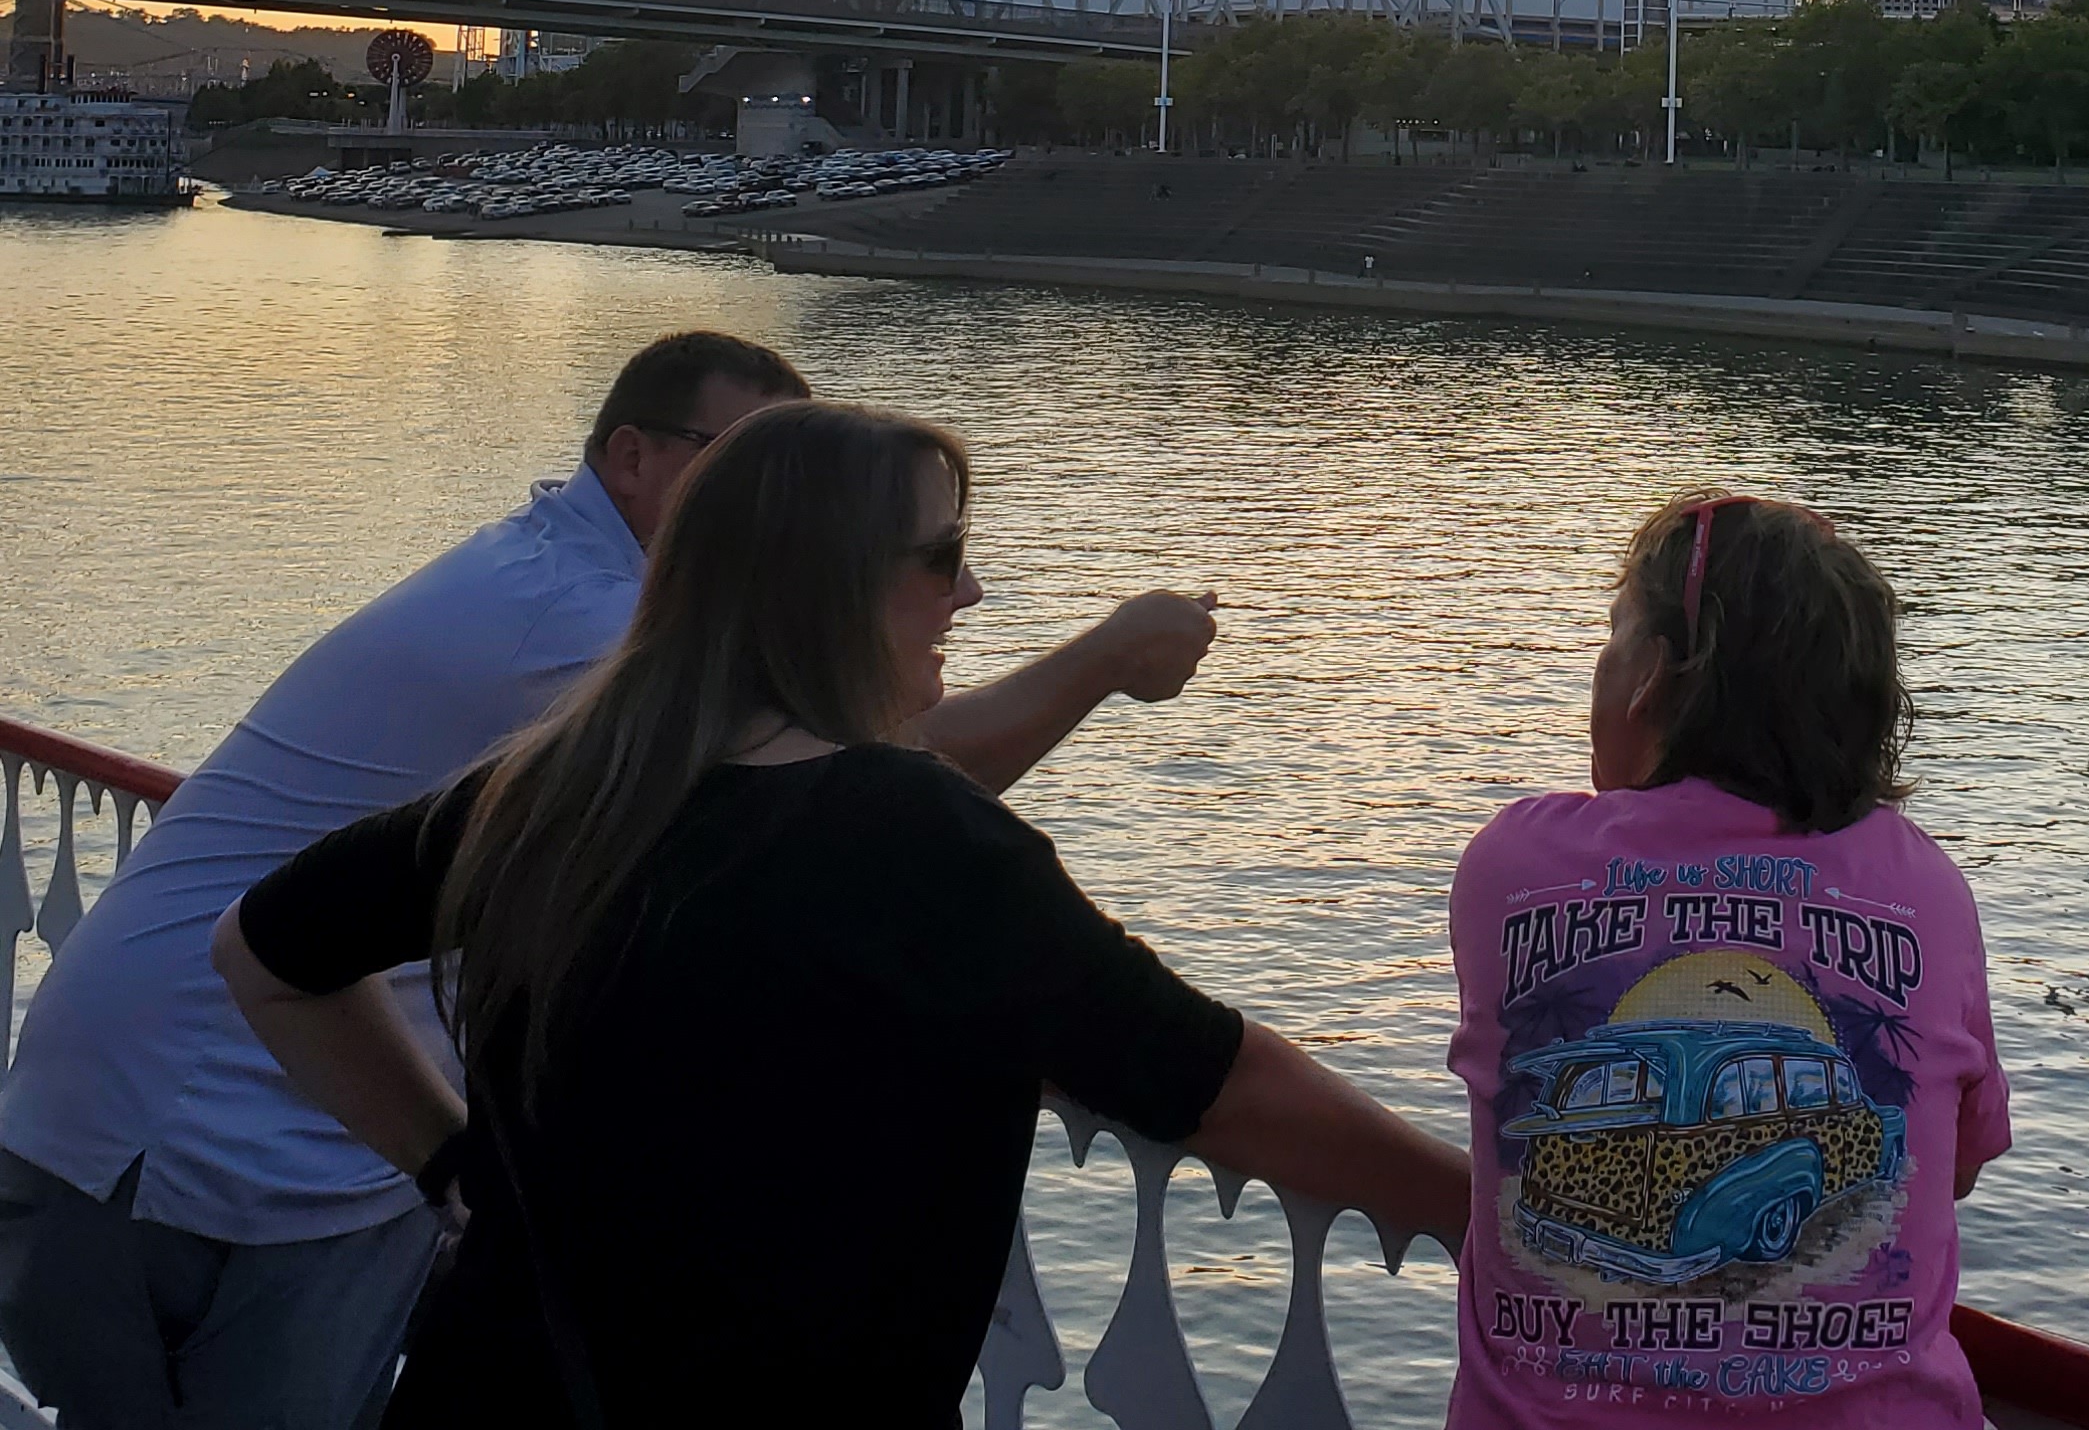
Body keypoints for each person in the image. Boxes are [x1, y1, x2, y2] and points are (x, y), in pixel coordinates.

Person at [0, 331, 1219, 1430]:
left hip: (205, 1098)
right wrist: (1108, 656)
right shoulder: (598, 633)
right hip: (200, 1133)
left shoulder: (552, 575)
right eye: (737, 456)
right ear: (630, 456)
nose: (771, 497)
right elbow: (877, 785)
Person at [212, 400, 1470, 1427]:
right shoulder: (927, 843)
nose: (969, 593)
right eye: (941, 556)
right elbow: (1213, 1082)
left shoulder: (555, 789)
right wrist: (1501, 1217)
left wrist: (452, 1162)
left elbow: (265, 954)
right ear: (831, 583)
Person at [1445, 494, 2008, 1430]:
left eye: (1614, 631)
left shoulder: (1511, 868)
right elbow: (1951, 1166)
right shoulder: (1926, 892)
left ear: (1655, 675)